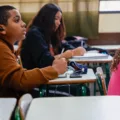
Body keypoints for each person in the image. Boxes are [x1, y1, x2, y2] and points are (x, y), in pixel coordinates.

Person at [0, 5, 67, 98]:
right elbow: (20, 80)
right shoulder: (1, 48)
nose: (23, 24)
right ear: (2, 29)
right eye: (16, 20)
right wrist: (54, 70)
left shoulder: (7, 47)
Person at [17, 3, 86, 69]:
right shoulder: (34, 34)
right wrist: (71, 53)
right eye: (56, 18)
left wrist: (76, 50)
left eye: (60, 20)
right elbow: (46, 62)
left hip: (47, 75)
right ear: (46, 18)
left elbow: (64, 46)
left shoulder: (50, 34)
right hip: (36, 77)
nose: (59, 23)